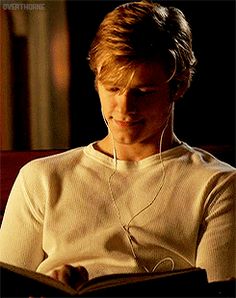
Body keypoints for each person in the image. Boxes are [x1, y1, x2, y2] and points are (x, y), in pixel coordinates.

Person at [0, 0, 235, 291]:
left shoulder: (218, 184)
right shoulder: (41, 178)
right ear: (97, 81)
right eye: (113, 88)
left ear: (179, 85)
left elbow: (219, 292)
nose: (124, 108)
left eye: (143, 92)